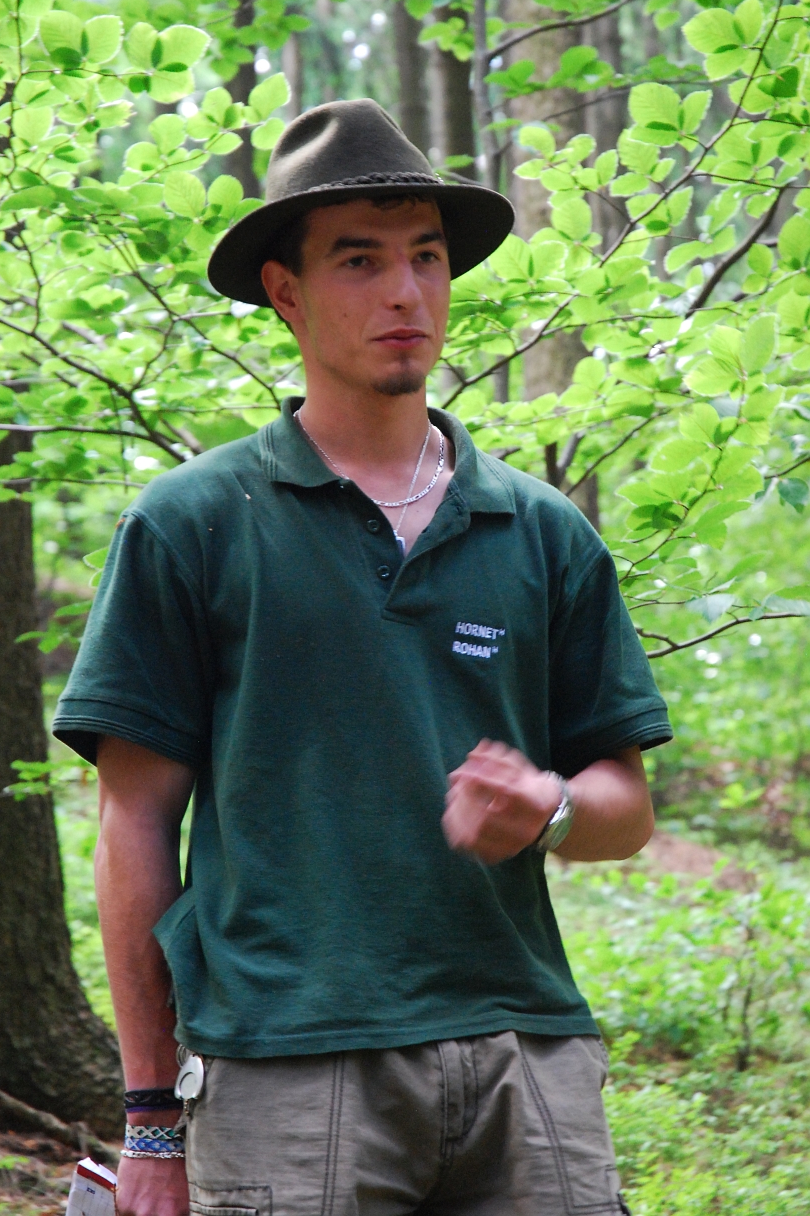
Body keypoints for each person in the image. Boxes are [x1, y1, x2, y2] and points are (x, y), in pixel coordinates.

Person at [54, 99, 672, 1216]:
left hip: (527, 1056)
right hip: (285, 1065)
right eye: (358, 260)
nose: (405, 292)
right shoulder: (193, 523)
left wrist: (546, 807)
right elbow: (133, 823)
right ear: (284, 291)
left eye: (426, 257)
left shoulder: (541, 531)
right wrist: (149, 1118)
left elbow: (624, 806)